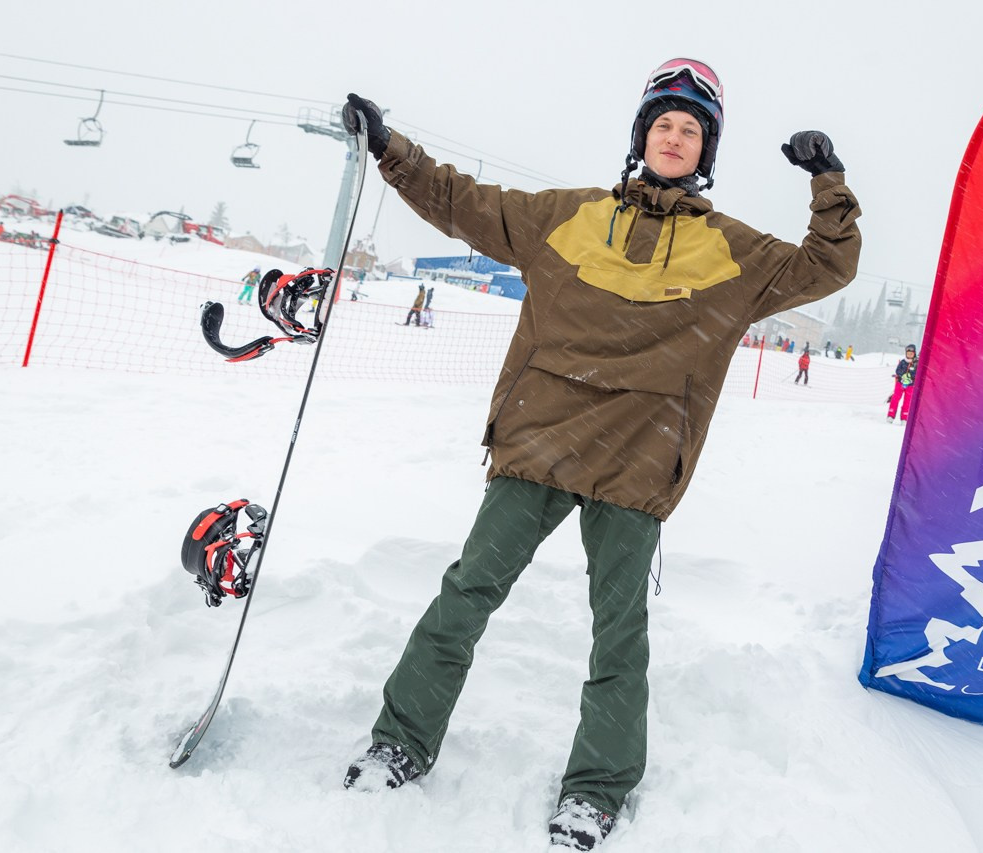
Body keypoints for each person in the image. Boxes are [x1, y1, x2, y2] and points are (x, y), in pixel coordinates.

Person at [339, 57, 861, 851]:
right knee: (466, 594)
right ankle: (399, 741)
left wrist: (828, 181)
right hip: (538, 444)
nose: (676, 138)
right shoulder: (566, 216)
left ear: (706, 149)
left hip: (637, 462)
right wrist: (388, 147)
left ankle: (594, 790)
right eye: (664, 125)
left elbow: (828, 264)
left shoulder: (732, 253)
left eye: (691, 129)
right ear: (642, 137)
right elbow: (461, 202)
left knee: (619, 634)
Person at [887, 343, 919, 423]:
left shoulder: (916, 364)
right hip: (900, 384)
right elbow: (897, 371)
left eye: (911, 354)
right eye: (908, 353)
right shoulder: (903, 362)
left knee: (907, 401)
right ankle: (891, 415)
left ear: (914, 354)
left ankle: (904, 418)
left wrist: (910, 377)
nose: (909, 355)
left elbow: (917, 373)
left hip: (910, 385)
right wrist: (903, 375)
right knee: (895, 399)